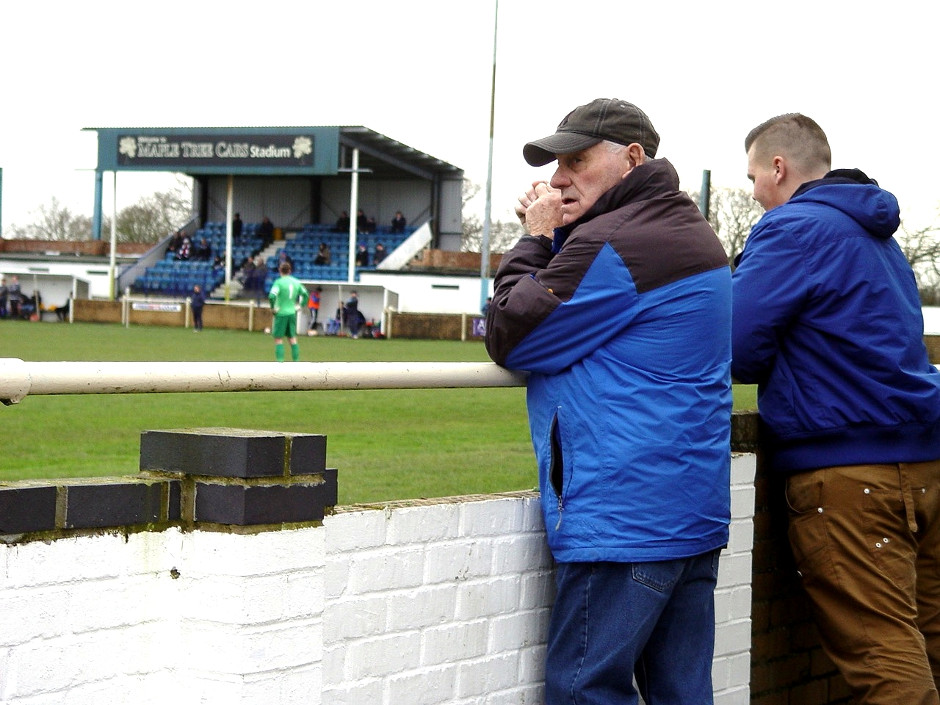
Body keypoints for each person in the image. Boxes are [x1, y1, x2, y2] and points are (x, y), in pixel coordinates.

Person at [484, 98, 732, 704]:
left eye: (576, 160)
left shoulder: (619, 242)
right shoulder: (684, 229)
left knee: (582, 691)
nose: (560, 177)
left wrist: (536, 238)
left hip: (625, 522)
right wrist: (563, 235)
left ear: (632, 158)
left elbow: (512, 332)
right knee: (682, 694)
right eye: (556, 163)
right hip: (686, 515)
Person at [731, 113, 940, 705]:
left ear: (778, 167)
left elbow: (735, 346)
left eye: (752, 176)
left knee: (887, 662)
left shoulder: (790, 228)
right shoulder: (877, 234)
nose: (752, 193)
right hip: (923, 463)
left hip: (849, 471)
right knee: (929, 642)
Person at [268, 261, 308, 362]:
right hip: (292, 312)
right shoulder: (296, 282)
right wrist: (300, 306)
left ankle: (280, 362)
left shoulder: (279, 282)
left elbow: (272, 296)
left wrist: (273, 308)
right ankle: (296, 362)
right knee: (292, 338)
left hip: (281, 313)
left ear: (279, 270)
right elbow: (306, 295)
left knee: (278, 339)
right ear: (290, 271)